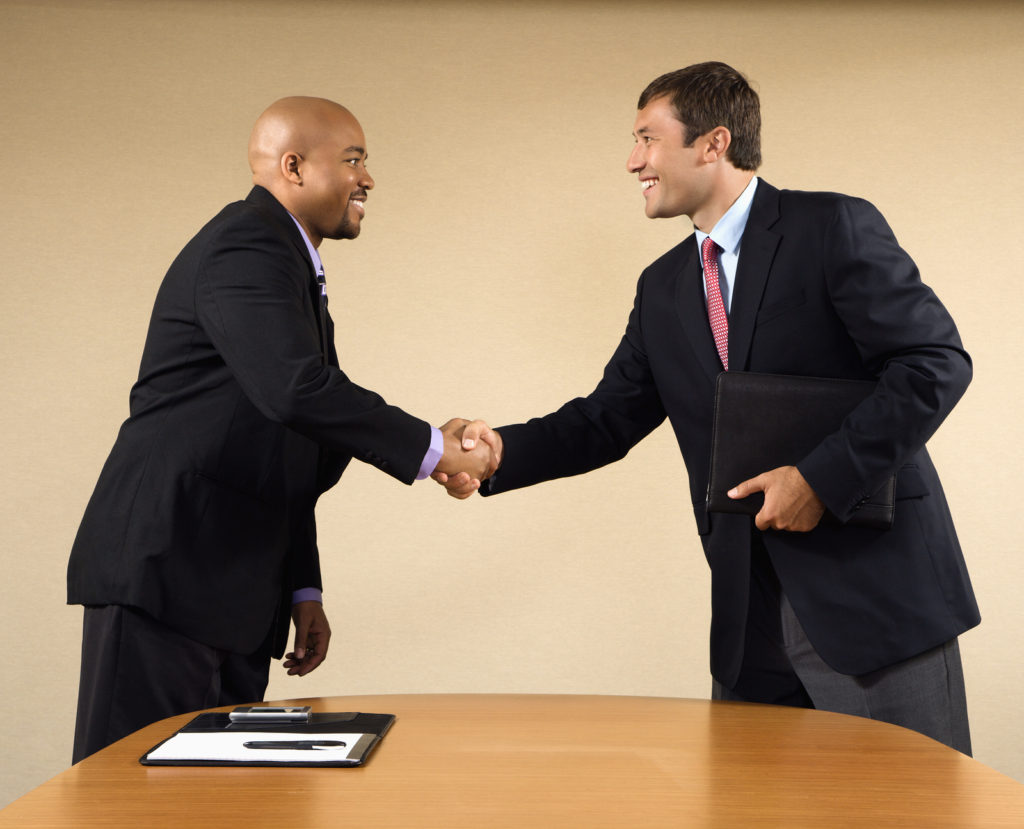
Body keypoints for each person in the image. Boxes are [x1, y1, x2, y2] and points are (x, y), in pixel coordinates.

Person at [439, 62, 979, 753]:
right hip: (748, 624)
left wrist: (820, 477)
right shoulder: (662, 287)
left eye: (647, 139)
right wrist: (497, 453)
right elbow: (607, 417)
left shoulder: (831, 227)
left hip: (876, 606)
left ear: (713, 143)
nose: (632, 160)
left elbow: (934, 363)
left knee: (914, 811)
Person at [67, 96, 495, 763]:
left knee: (222, 804)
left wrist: (303, 587)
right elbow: (299, 394)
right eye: (353, 159)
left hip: (231, 589)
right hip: (166, 572)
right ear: (293, 166)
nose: (368, 179)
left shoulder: (289, 266)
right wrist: (436, 451)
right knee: (132, 800)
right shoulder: (246, 244)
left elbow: (289, 437)